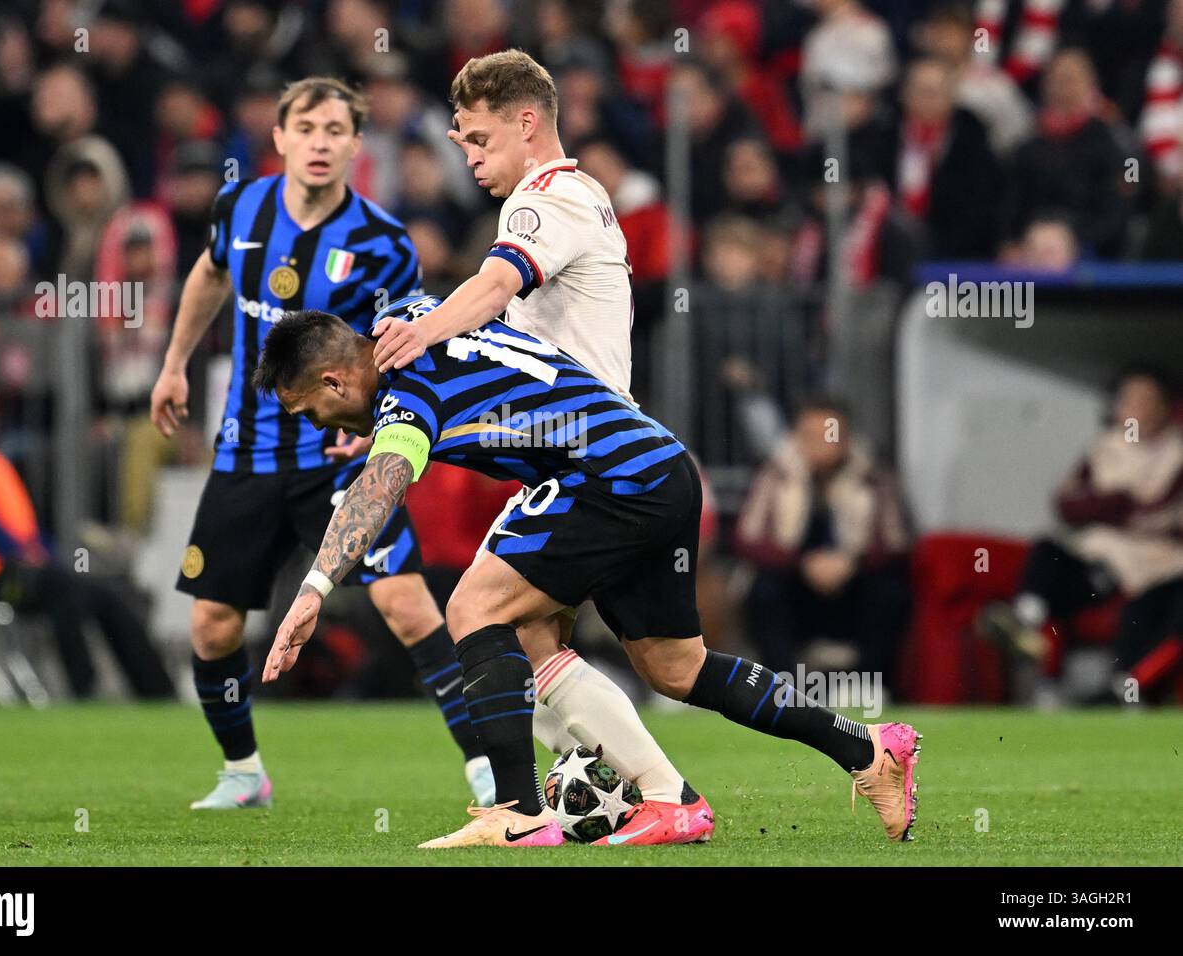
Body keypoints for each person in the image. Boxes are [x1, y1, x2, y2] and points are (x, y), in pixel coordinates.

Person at [254, 299, 922, 848]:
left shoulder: (405, 399)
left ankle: (517, 813)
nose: (316, 425)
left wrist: (313, 589)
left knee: (474, 609)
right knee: (675, 668)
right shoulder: (417, 316)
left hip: (605, 482)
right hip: (661, 467)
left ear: (335, 382)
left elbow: (382, 485)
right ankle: (865, 749)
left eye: (308, 410)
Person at [371, 50, 706, 842]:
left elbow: (492, 287)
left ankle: (533, 811)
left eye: (480, 141)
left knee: (478, 610)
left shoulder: (542, 202)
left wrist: (418, 334)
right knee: (663, 664)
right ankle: (847, 751)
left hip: (593, 462)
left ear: (528, 124)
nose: (473, 160)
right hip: (593, 456)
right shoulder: (572, 198)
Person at [148, 77, 493, 811]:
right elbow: (209, 275)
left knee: (406, 603)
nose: (320, 142)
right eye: (307, 127)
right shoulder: (239, 208)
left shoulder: (383, 243)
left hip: (334, 456)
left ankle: (484, 766)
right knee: (211, 624)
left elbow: (404, 346)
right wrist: (175, 362)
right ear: (279, 137)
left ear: (355, 146)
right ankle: (244, 773)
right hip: (247, 451)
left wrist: (371, 429)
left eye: (337, 130)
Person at [0, 360, 174, 699]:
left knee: (107, 592)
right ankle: (85, 691)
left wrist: (40, 552)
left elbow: (12, 523)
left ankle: (159, 695)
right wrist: (25, 554)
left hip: (6, 564)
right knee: (61, 588)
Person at [980, 367, 1183, 704]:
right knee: (1048, 552)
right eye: (1130, 400)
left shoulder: (1176, 452)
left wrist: (1110, 505)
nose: (1138, 409)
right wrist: (1118, 505)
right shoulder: (1105, 448)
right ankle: (1027, 626)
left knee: (1143, 612)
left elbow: (1159, 514)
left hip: (1157, 563)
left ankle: (1127, 690)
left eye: (1147, 401)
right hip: (1104, 555)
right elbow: (1067, 503)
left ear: (1165, 407)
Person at [736, 398, 911, 687]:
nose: (819, 444)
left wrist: (851, 564)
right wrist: (802, 564)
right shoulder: (776, 473)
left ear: (846, 439)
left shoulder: (872, 476)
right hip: (795, 586)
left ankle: (867, 687)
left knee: (891, 595)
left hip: (853, 587)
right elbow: (747, 539)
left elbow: (897, 544)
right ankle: (784, 687)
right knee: (763, 592)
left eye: (828, 435)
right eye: (809, 436)